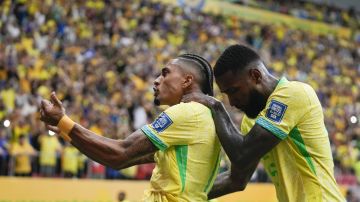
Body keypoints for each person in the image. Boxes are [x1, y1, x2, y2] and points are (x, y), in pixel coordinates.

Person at [39, 54, 222, 201]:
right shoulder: (204, 116)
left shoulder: (185, 113)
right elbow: (122, 159)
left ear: (187, 80)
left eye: (165, 73)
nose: (157, 81)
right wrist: (67, 131)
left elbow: (119, 154)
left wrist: (63, 121)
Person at [182, 44, 345, 201]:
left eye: (234, 91)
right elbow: (235, 180)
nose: (231, 102)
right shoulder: (251, 121)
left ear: (255, 76)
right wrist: (182, 195)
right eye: (226, 95)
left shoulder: (293, 93)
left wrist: (216, 106)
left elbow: (241, 156)